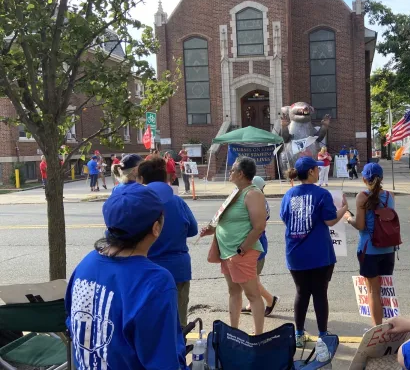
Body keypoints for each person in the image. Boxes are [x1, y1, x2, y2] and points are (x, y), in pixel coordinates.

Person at [65, 181, 188, 369]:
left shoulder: (87, 263)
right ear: (156, 228)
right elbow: (163, 361)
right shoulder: (154, 282)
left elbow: (71, 322)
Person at [280, 157, 348, 347]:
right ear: (311, 172)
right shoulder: (321, 194)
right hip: (319, 254)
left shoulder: (289, 194)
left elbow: (286, 219)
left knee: (301, 293)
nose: (319, 171)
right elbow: (330, 220)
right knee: (320, 293)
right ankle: (323, 335)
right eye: (316, 169)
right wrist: (344, 208)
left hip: (295, 253)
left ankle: (299, 334)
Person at [199, 157, 267, 335]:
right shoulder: (237, 192)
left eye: (232, 170)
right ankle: (234, 331)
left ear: (241, 173)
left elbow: (259, 226)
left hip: (241, 253)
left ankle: (258, 334)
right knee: (233, 291)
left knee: (252, 294)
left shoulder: (253, 193)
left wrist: (242, 249)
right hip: (227, 251)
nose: (230, 173)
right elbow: (228, 221)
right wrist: (211, 230)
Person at [138, 158, 198, 328]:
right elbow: (192, 230)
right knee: (178, 323)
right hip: (177, 269)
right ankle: (178, 352)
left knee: (150, 323)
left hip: (147, 269)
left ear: (142, 179)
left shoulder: (139, 202)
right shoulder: (177, 201)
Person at [345, 163, 395, 326]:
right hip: (388, 249)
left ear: (364, 179)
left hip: (369, 249)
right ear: (381, 178)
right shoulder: (389, 196)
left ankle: (378, 329)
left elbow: (360, 225)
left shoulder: (362, 196)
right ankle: (388, 327)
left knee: (373, 292)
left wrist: (348, 218)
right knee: (385, 289)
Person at [241, 176, 279, 317]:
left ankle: (270, 299)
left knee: (251, 279)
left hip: (256, 243)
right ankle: (252, 304)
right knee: (254, 277)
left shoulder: (258, 203)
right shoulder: (261, 200)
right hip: (260, 241)